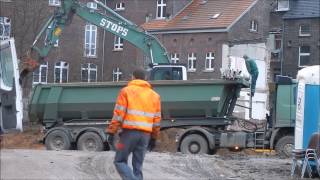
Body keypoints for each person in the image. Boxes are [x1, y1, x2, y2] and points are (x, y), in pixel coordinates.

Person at [106, 68, 161, 180]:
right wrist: (154, 138)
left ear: (133, 77)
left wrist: (112, 131)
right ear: (145, 79)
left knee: (119, 161)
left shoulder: (126, 91)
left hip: (129, 134)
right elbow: (157, 120)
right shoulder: (155, 96)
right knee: (137, 167)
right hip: (145, 136)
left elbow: (119, 114)